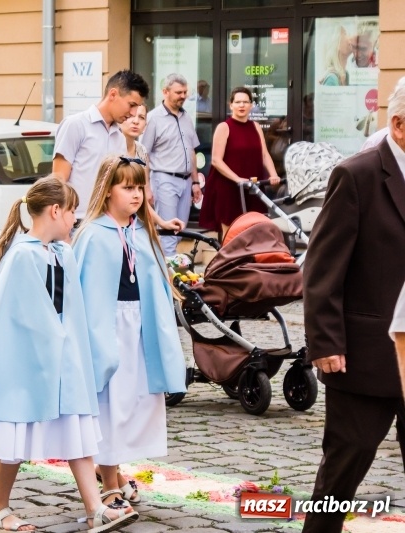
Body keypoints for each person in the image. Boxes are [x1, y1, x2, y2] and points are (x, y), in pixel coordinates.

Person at [0, 176, 138, 533]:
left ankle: (95, 507)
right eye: (72, 210)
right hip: (28, 365)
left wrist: (78, 351)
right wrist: (57, 344)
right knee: (14, 436)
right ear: (55, 210)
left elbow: (72, 310)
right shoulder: (23, 256)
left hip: (64, 362)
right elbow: (25, 315)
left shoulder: (63, 253)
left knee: (77, 429)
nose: (76, 218)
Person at [301, 85, 405, 533]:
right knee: (346, 463)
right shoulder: (357, 174)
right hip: (367, 355)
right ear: (399, 125)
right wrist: (324, 341)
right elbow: (323, 269)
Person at [74, 156, 187, 507]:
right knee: (112, 403)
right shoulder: (92, 235)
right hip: (108, 330)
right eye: (127, 187)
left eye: (140, 187)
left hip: (140, 329)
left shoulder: (142, 231)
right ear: (108, 192)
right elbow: (82, 291)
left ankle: (113, 470)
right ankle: (108, 482)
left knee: (135, 401)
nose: (136, 195)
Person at [53, 69, 149, 220]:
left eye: (137, 108)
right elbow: (58, 179)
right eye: (131, 105)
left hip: (108, 223)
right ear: (113, 94)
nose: (133, 113)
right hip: (76, 223)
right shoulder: (76, 125)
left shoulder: (120, 137)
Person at [198, 87, 281, 237]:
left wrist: (273, 174)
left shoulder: (255, 127)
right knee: (231, 233)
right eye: (238, 102)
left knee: (255, 229)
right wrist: (237, 179)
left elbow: (264, 154)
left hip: (253, 187)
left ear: (251, 105)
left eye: (245, 102)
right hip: (228, 188)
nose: (241, 105)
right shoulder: (224, 127)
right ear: (231, 105)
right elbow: (216, 160)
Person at [143, 73, 202, 257]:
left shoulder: (186, 117)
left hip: (185, 182)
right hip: (163, 179)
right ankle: (170, 282)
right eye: (178, 92)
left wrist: (195, 183)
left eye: (185, 92)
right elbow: (143, 154)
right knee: (168, 234)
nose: (183, 96)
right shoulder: (153, 118)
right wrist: (146, 187)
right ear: (165, 92)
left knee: (179, 231)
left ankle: (170, 275)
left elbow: (191, 151)